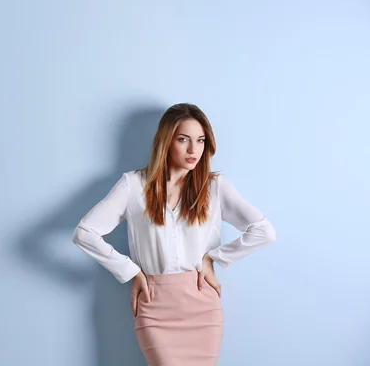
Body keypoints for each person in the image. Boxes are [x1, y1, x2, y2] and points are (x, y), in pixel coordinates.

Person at [72, 103, 276, 365]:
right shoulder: (133, 185)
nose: (194, 150)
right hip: (155, 306)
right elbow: (84, 233)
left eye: (200, 141)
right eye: (183, 140)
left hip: (202, 306)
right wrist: (130, 270)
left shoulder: (215, 187)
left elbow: (264, 231)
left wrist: (214, 258)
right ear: (166, 141)